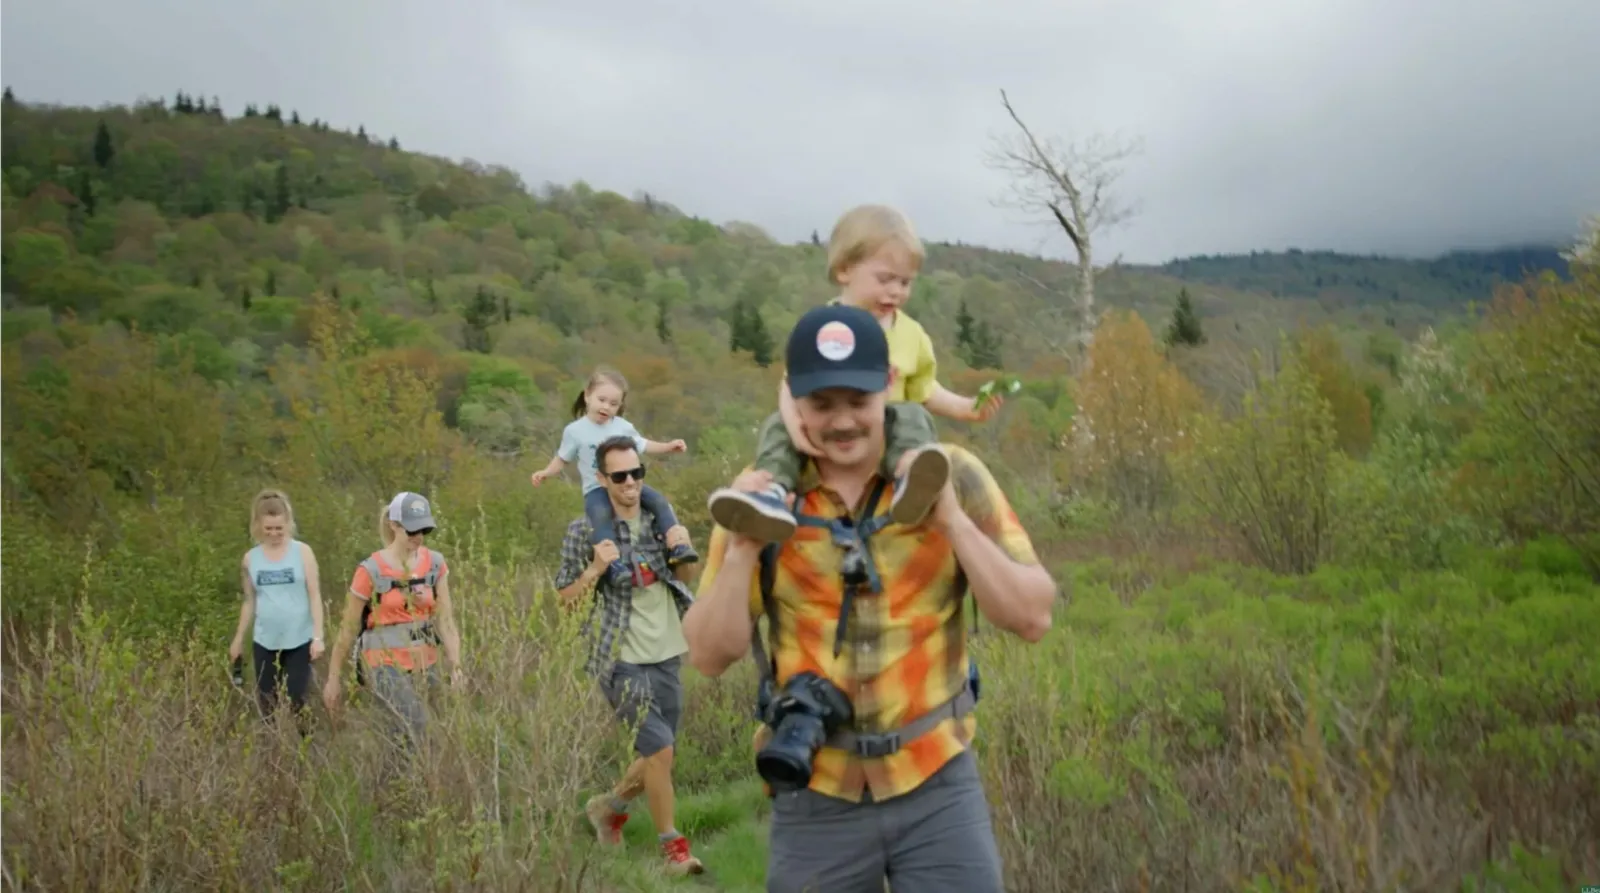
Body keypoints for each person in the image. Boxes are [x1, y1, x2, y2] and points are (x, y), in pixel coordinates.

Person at [685, 304, 1058, 893]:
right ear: (792, 400)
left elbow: (1033, 616)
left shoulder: (950, 474)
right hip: (814, 789)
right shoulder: (760, 497)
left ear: (887, 386)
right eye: (821, 405)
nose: (842, 423)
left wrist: (953, 523)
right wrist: (741, 551)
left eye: (858, 402)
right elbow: (707, 655)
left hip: (937, 782)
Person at [706, 204, 1004, 545]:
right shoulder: (821, 327)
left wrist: (966, 408)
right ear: (845, 269)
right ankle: (771, 491)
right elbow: (792, 385)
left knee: (911, 413)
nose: (896, 291)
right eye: (885, 279)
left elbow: (924, 389)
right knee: (776, 426)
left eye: (905, 282)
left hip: (887, 432)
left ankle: (911, 476)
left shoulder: (911, 335)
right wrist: (795, 425)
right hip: (827, 430)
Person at [553, 435, 706, 877]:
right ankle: (673, 850)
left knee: (663, 754)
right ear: (602, 479)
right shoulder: (584, 530)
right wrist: (595, 569)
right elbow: (564, 597)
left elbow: (685, 576)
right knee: (658, 752)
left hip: (667, 649)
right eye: (619, 476)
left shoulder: (660, 519)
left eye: (637, 473)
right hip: (618, 656)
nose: (630, 483)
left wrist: (682, 545)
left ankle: (609, 808)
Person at [531, 366, 698, 589]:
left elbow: (644, 445)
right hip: (596, 489)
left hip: (625, 483)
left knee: (659, 502)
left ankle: (677, 544)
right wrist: (545, 473)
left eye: (613, 404)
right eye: (601, 400)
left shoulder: (623, 427)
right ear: (587, 395)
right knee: (600, 519)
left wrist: (669, 446)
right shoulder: (575, 430)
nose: (606, 407)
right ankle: (615, 565)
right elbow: (562, 458)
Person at [321, 491, 465, 748]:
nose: (418, 537)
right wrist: (333, 679)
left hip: (425, 661)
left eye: (424, 530)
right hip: (384, 664)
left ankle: (403, 785)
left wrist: (456, 667)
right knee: (417, 725)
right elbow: (348, 628)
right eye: (411, 531)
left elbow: (446, 621)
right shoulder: (370, 570)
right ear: (394, 525)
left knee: (431, 734)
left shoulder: (435, 565)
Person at [228, 488, 324, 722]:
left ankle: (306, 749)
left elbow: (314, 595)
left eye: (278, 529)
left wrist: (318, 636)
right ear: (258, 526)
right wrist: (238, 638)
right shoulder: (251, 559)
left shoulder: (303, 552)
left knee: (298, 699)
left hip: (299, 639)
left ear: (288, 524)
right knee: (266, 702)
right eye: (268, 529)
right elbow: (250, 600)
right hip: (265, 640)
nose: (273, 533)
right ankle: (272, 752)